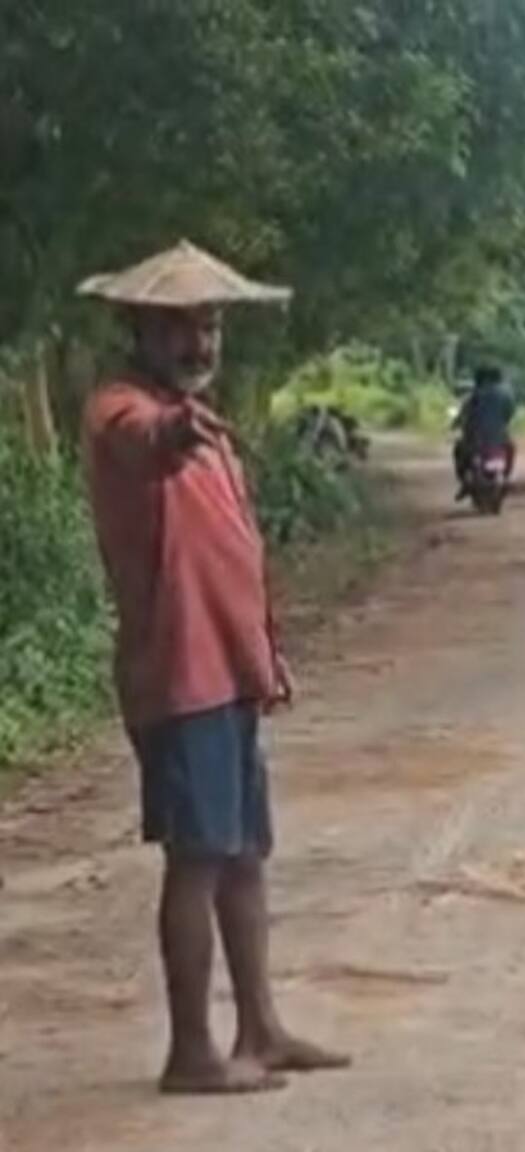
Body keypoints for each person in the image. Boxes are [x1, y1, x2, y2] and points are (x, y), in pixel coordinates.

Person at [76, 241, 351, 1095]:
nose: (200, 343)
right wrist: (172, 431)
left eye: (211, 324)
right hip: (178, 675)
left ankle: (260, 1029)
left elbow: (232, 554)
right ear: (140, 331)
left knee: (243, 855)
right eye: (181, 327)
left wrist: (262, 655)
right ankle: (192, 1052)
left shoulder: (211, 424)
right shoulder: (123, 411)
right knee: (197, 857)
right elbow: (144, 444)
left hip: (226, 674)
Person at [452, 364, 518, 501]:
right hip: (500, 438)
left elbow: (464, 415)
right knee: (511, 449)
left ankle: (465, 483)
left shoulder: (474, 396)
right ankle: (505, 478)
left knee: (459, 451)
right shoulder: (506, 395)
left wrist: (457, 424)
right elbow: (509, 414)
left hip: (476, 439)